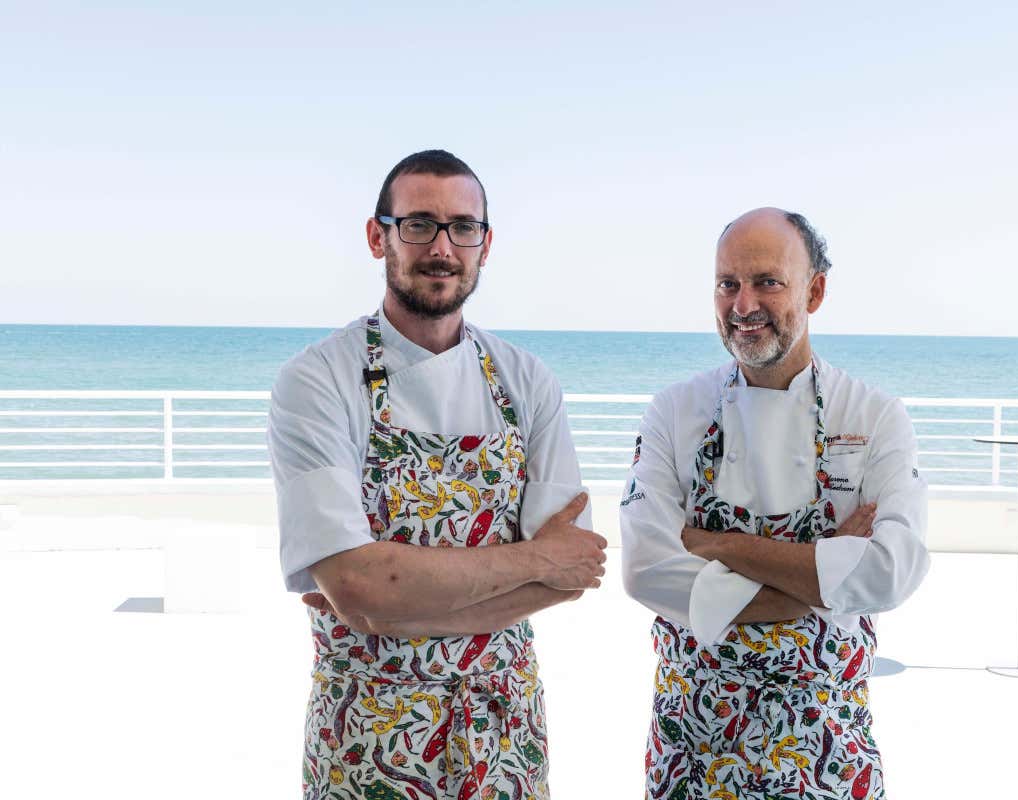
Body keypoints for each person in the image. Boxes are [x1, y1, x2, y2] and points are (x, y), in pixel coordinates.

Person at [267, 150, 607, 800]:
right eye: (419, 224)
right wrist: (533, 558)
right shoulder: (316, 381)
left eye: (463, 227)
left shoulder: (528, 381)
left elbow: (569, 578)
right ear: (379, 237)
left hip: (503, 731)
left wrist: (391, 610)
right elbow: (360, 587)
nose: (442, 247)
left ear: (485, 244)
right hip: (367, 736)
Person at [620, 208, 929, 799]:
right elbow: (646, 571)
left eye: (767, 282)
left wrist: (714, 546)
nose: (743, 305)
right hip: (695, 749)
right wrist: (823, 582)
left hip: (825, 749)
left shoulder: (874, 416)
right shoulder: (674, 411)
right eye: (727, 284)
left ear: (815, 291)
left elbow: (892, 572)